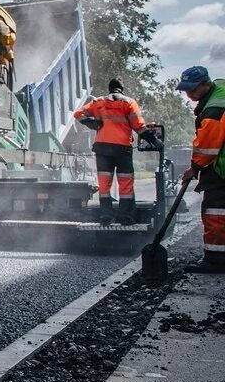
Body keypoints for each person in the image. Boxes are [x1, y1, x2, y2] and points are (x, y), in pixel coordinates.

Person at [73, 78, 159, 225]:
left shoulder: (98, 102)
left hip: (102, 149)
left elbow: (78, 114)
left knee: (104, 184)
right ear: (121, 89)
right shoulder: (129, 103)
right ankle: (125, 216)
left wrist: (92, 123)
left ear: (109, 88)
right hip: (122, 149)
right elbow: (139, 126)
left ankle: (105, 216)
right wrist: (154, 140)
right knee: (125, 183)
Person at [177, 66, 225, 273]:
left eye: (193, 89)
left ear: (206, 84)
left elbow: (208, 147)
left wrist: (194, 168)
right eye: (186, 90)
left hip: (221, 168)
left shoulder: (214, 109)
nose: (189, 94)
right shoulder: (220, 88)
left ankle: (216, 260)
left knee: (215, 211)